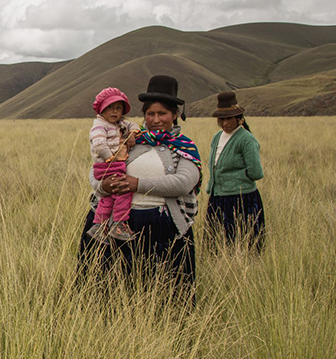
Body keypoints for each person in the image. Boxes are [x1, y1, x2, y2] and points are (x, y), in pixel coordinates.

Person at [79, 75, 201, 295]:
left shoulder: (183, 147)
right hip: (117, 224)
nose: (155, 119)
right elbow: (95, 171)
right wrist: (105, 186)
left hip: (163, 227)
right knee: (113, 290)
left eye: (162, 113)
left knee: (164, 291)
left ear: (174, 115)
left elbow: (184, 182)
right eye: (150, 114)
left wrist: (137, 184)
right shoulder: (130, 139)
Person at [205, 91, 265, 250]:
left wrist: (235, 180)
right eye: (222, 119)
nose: (225, 123)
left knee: (243, 244)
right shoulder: (217, 137)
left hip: (241, 198)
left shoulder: (246, 139)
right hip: (218, 197)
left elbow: (256, 173)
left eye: (229, 118)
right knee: (217, 245)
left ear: (239, 118)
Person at [86, 88, 141, 242]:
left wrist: (133, 133)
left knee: (108, 197)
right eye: (110, 107)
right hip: (107, 165)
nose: (114, 111)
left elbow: (133, 125)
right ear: (101, 109)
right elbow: (98, 144)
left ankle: (98, 225)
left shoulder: (119, 123)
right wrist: (110, 157)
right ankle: (118, 223)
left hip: (111, 164)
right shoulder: (99, 125)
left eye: (118, 108)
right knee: (123, 191)